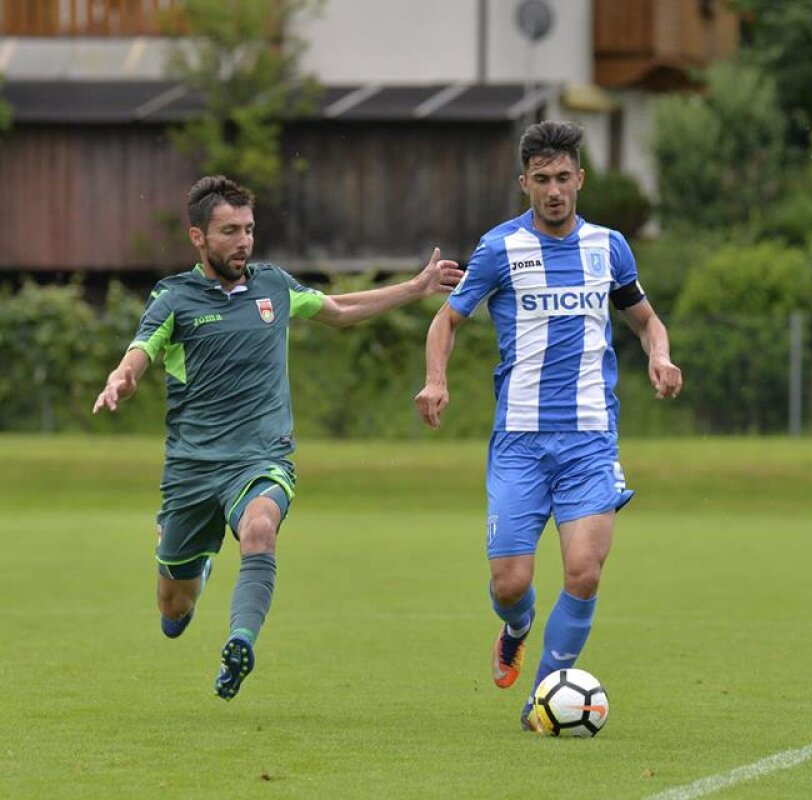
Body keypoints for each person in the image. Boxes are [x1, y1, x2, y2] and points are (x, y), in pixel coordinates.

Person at [93, 175, 463, 700]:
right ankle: (193, 566)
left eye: (248, 229)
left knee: (261, 528)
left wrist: (417, 286)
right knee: (173, 607)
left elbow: (338, 311)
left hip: (261, 458)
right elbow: (140, 353)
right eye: (229, 231)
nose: (243, 241)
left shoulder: (274, 285)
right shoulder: (173, 297)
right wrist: (121, 379)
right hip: (193, 467)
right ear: (198, 237)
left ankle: (240, 642)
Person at [414, 120, 682, 730]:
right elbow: (446, 322)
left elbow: (646, 320)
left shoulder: (609, 247)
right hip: (520, 444)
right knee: (511, 583)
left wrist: (660, 355)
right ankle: (516, 627)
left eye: (564, 178)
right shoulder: (499, 249)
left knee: (584, 571)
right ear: (524, 184)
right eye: (542, 180)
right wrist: (437, 379)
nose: (554, 190)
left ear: (580, 179)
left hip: (591, 439)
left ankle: (540, 699)